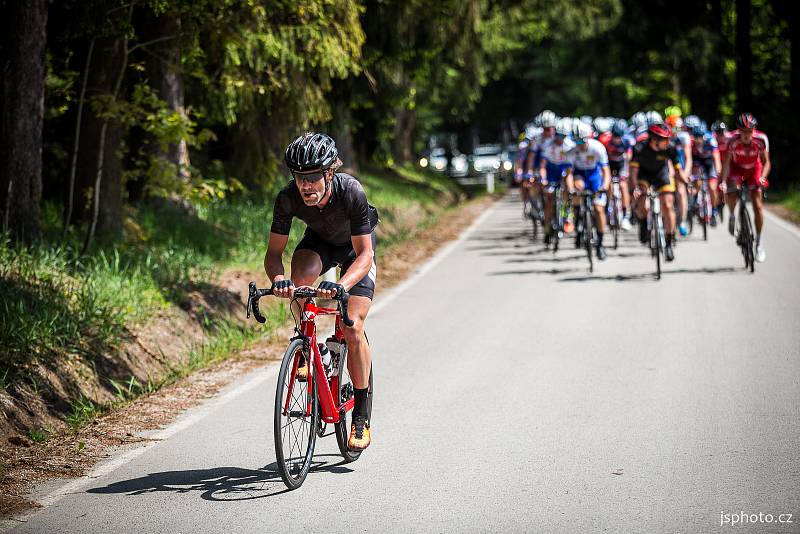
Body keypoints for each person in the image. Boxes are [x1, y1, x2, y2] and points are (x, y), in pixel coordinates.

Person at [264, 132, 378, 450]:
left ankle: (361, 417)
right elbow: (274, 254)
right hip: (321, 243)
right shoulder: (287, 198)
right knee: (300, 279)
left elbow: (366, 254)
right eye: (300, 177)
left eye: (313, 177)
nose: (306, 185)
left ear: (329, 173)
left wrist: (341, 285)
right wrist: (278, 279)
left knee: (353, 325)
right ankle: (310, 345)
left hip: (356, 250)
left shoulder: (351, 191)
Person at [720, 113, 771, 262]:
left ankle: (759, 243)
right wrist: (723, 181)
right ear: (738, 130)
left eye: (750, 131)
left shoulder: (761, 139)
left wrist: (763, 177)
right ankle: (731, 214)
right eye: (743, 131)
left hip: (754, 169)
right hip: (736, 168)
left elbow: (767, 162)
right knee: (731, 192)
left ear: (754, 130)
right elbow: (726, 163)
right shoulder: (732, 141)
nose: (747, 134)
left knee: (758, 205)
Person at [630, 122, 681, 262]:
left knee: (668, 204)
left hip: (661, 175)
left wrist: (686, 182)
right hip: (643, 176)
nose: (667, 141)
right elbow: (633, 171)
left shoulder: (670, 148)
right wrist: (635, 187)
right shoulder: (639, 148)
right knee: (643, 203)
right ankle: (643, 224)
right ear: (654, 139)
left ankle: (669, 243)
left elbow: (677, 171)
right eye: (665, 139)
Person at [565, 121, 612, 260]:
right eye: (577, 142)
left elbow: (606, 171)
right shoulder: (571, 152)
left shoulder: (598, 148)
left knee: (598, 209)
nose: (580, 145)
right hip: (580, 175)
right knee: (577, 188)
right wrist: (571, 188)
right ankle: (578, 218)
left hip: (594, 176)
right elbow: (569, 174)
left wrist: (604, 186)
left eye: (582, 142)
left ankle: (601, 244)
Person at [539, 117, 577, 241]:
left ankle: (567, 211)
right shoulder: (548, 145)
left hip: (563, 169)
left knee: (567, 183)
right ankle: (547, 227)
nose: (561, 139)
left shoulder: (570, 145)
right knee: (549, 199)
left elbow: (571, 168)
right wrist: (543, 179)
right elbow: (543, 166)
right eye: (559, 136)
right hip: (551, 170)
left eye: (563, 136)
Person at [601, 119, 635, 230]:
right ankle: (608, 208)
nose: (617, 139)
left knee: (623, 185)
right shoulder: (605, 141)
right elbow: (602, 160)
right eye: (615, 135)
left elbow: (628, 159)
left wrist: (626, 175)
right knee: (609, 184)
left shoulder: (627, 141)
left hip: (621, 163)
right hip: (609, 163)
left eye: (619, 136)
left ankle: (626, 215)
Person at [689, 124, 722, 226]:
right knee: (697, 181)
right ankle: (695, 200)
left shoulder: (711, 140)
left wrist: (718, 170)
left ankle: (714, 210)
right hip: (697, 160)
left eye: (700, 138)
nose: (698, 141)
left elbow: (716, 157)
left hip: (709, 161)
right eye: (696, 138)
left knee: (712, 187)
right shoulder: (690, 142)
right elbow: (687, 159)